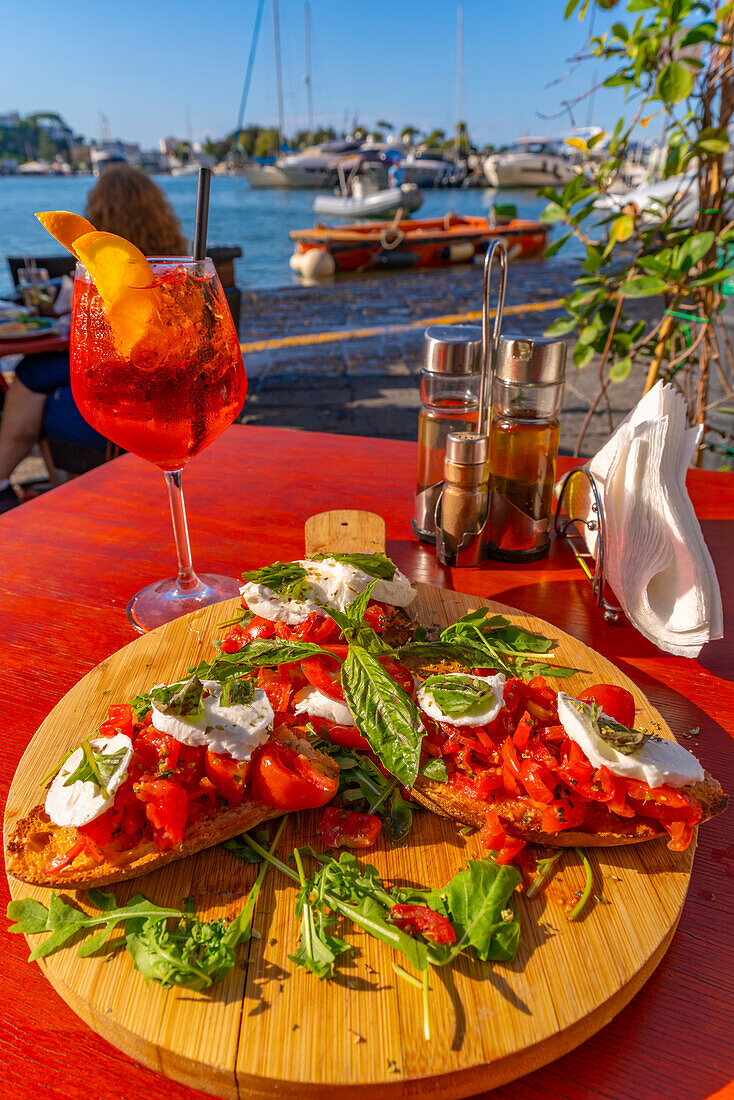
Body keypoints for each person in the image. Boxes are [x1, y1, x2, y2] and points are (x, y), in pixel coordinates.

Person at [0, 166, 187, 513]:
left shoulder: (107, 269)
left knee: (33, 373)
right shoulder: (176, 267)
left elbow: (98, 339)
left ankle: (24, 487)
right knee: (36, 371)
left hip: (127, 385)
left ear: (99, 212)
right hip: (170, 384)